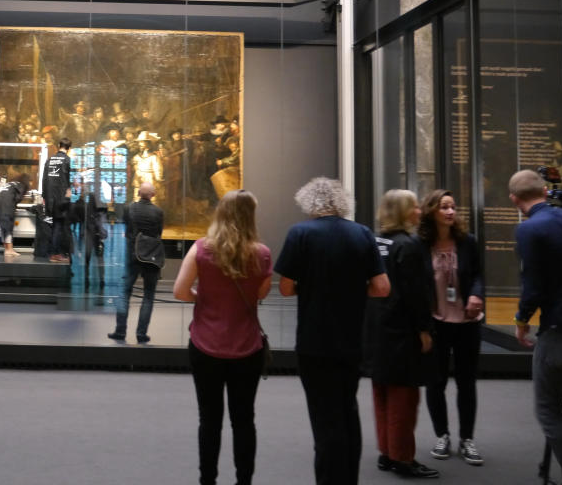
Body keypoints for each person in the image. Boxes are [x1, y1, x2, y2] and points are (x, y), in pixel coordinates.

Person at [275, 177, 390, 485]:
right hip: (351, 339)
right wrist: (352, 288)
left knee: (324, 419)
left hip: (314, 340)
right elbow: (382, 288)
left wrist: (311, 286)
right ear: (341, 202)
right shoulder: (362, 233)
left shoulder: (300, 233)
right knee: (347, 410)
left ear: (309, 203)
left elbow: (285, 288)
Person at [173, 189, 272, 485]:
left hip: (205, 345)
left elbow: (179, 291)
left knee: (209, 420)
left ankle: (208, 480)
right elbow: (260, 295)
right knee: (244, 421)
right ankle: (244, 481)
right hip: (247, 347)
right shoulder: (262, 253)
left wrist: (203, 298)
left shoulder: (201, 249)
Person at [366, 190, 437, 478]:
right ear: (404, 211)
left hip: (376, 328)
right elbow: (416, 294)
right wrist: (424, 329)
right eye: (415, 206)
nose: (420, 211)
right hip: (402, 331)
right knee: (404, 398)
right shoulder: (408, 246)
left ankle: (386, 451)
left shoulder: (376, 241)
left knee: (382, 392)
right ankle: (403, 458)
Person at [511, 169, 562, 485]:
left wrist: (521, 322)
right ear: (544, 191)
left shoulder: (530, 230)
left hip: (558, 330)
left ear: (514, 199)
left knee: (549, 411)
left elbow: (532, 286)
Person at [419, 189, 485, 466]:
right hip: (437, 322)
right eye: (444, 207)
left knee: (466, 381)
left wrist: (476, 294)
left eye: (453, 207)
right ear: (432, 211)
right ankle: (442, 435)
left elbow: (480, 274)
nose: (450, 212)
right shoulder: (421, 245)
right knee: (436, 382)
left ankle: (467, 439)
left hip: (468, 322)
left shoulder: (467, 242)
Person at [110, 182, 164, 344]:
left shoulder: (129, 209)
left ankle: (120, 331)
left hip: (132, 255)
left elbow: (126, 230)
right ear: (153, 195)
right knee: (148, 296)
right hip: (151, 257)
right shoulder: (158, 212)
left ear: (139, 192)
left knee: (124, 294)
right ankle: (141, 334)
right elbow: (158, 233)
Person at [42, 138, 72, 264]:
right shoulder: (67, 160)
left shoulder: (49, 160)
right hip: (61, 199)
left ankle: (54, 252)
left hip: (49, 199)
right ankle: (55, 254)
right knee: (59, 226)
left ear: (59, 145)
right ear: (68, 148)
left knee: (54, 225)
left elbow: (44, 179)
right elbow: (70, 180)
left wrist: (44, 197)